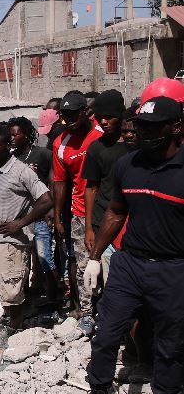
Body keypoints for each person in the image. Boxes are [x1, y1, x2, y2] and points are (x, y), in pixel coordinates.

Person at [83, 95, 184, 394]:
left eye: (152, 128)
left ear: (175, 128)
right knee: (107, 334)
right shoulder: (128, 165)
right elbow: (115, 212)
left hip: (173, 270)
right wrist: (95, 257)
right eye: (141, 126)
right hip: (129, 264)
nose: (143, 133)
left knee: (171, 344)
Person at [0, 124, 53, 347]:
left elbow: (46, 199)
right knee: (1, 290)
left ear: (8, 146)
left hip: (12, 243)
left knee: (13, 292)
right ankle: (10, 326)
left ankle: (13, 335)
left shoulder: (21, 171)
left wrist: (20, 223)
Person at [51, 92, 104, 332]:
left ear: (85, 112)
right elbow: (60, 182)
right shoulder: (60, 143)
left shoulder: (102, 134)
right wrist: (59, 216)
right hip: (81, 212)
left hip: (111, 209)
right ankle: (87, 313)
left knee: (110, 264)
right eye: (65, 116)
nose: (69, 120)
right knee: (84, 265)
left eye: (73, 114)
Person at [81, 90, 132, 277]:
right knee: (109, 279)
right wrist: (88, 228)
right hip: (104, 222)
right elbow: (91, 187)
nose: (103, 122)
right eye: (100, 118)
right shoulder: (96, 148)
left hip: (132, 223)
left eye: (109, 117)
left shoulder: (136, 145)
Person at [9, 116, 57, 306]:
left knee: (44, 256)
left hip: (40, 214)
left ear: (27, 135)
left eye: (16, 134)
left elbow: (52, 182)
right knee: (23, 260)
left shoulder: (43, 154)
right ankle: (25, 297)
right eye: (10, 135)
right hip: (20, 216)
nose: (12, 138)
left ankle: (53, 298)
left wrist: (52, 208)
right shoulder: (11, 158)